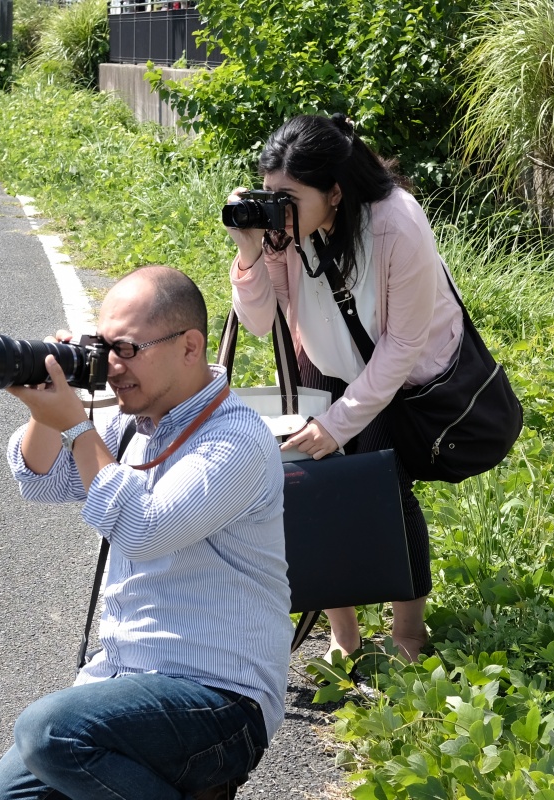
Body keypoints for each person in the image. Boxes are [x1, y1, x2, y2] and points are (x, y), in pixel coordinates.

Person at [0, 266, 292, 800]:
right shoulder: (136, 426)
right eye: (103, 346)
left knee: (49, 731)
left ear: (190, 346)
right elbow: (42, 481)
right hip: (123, 681)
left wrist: (77, 426)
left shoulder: (236, 440)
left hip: (221, 700)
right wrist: (46, 405)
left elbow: (144, 528)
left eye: (125, 348)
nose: (111, 365)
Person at [226, 114, 464, 663]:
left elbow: (402, 346)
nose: (275, 207)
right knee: (316, 491)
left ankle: (408, 631)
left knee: (387, 493)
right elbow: (262, 322)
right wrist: (249, 248)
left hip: (387, 370)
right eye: (267, 192)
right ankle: (344, 631)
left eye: (287, 195)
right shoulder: (285, 230)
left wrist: (336, 425)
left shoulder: (396, 224)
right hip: (322, 357)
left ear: (334, 192)